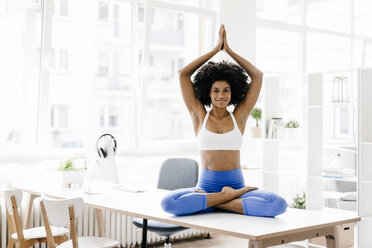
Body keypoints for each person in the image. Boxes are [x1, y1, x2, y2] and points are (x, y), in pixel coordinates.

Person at [161, 24, 287, 217]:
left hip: (235, 185)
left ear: (233, 92)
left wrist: (228, 51)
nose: (221, 95)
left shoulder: (240, 116)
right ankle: (228, 198)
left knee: (278, 204)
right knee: (169, 203)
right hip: (205, 187)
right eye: (216, 90)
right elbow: (183, 74)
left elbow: (257, 76)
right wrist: (215, 50)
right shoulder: (198, 115)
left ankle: (216, 201)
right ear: (208, 93)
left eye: (226, 90)